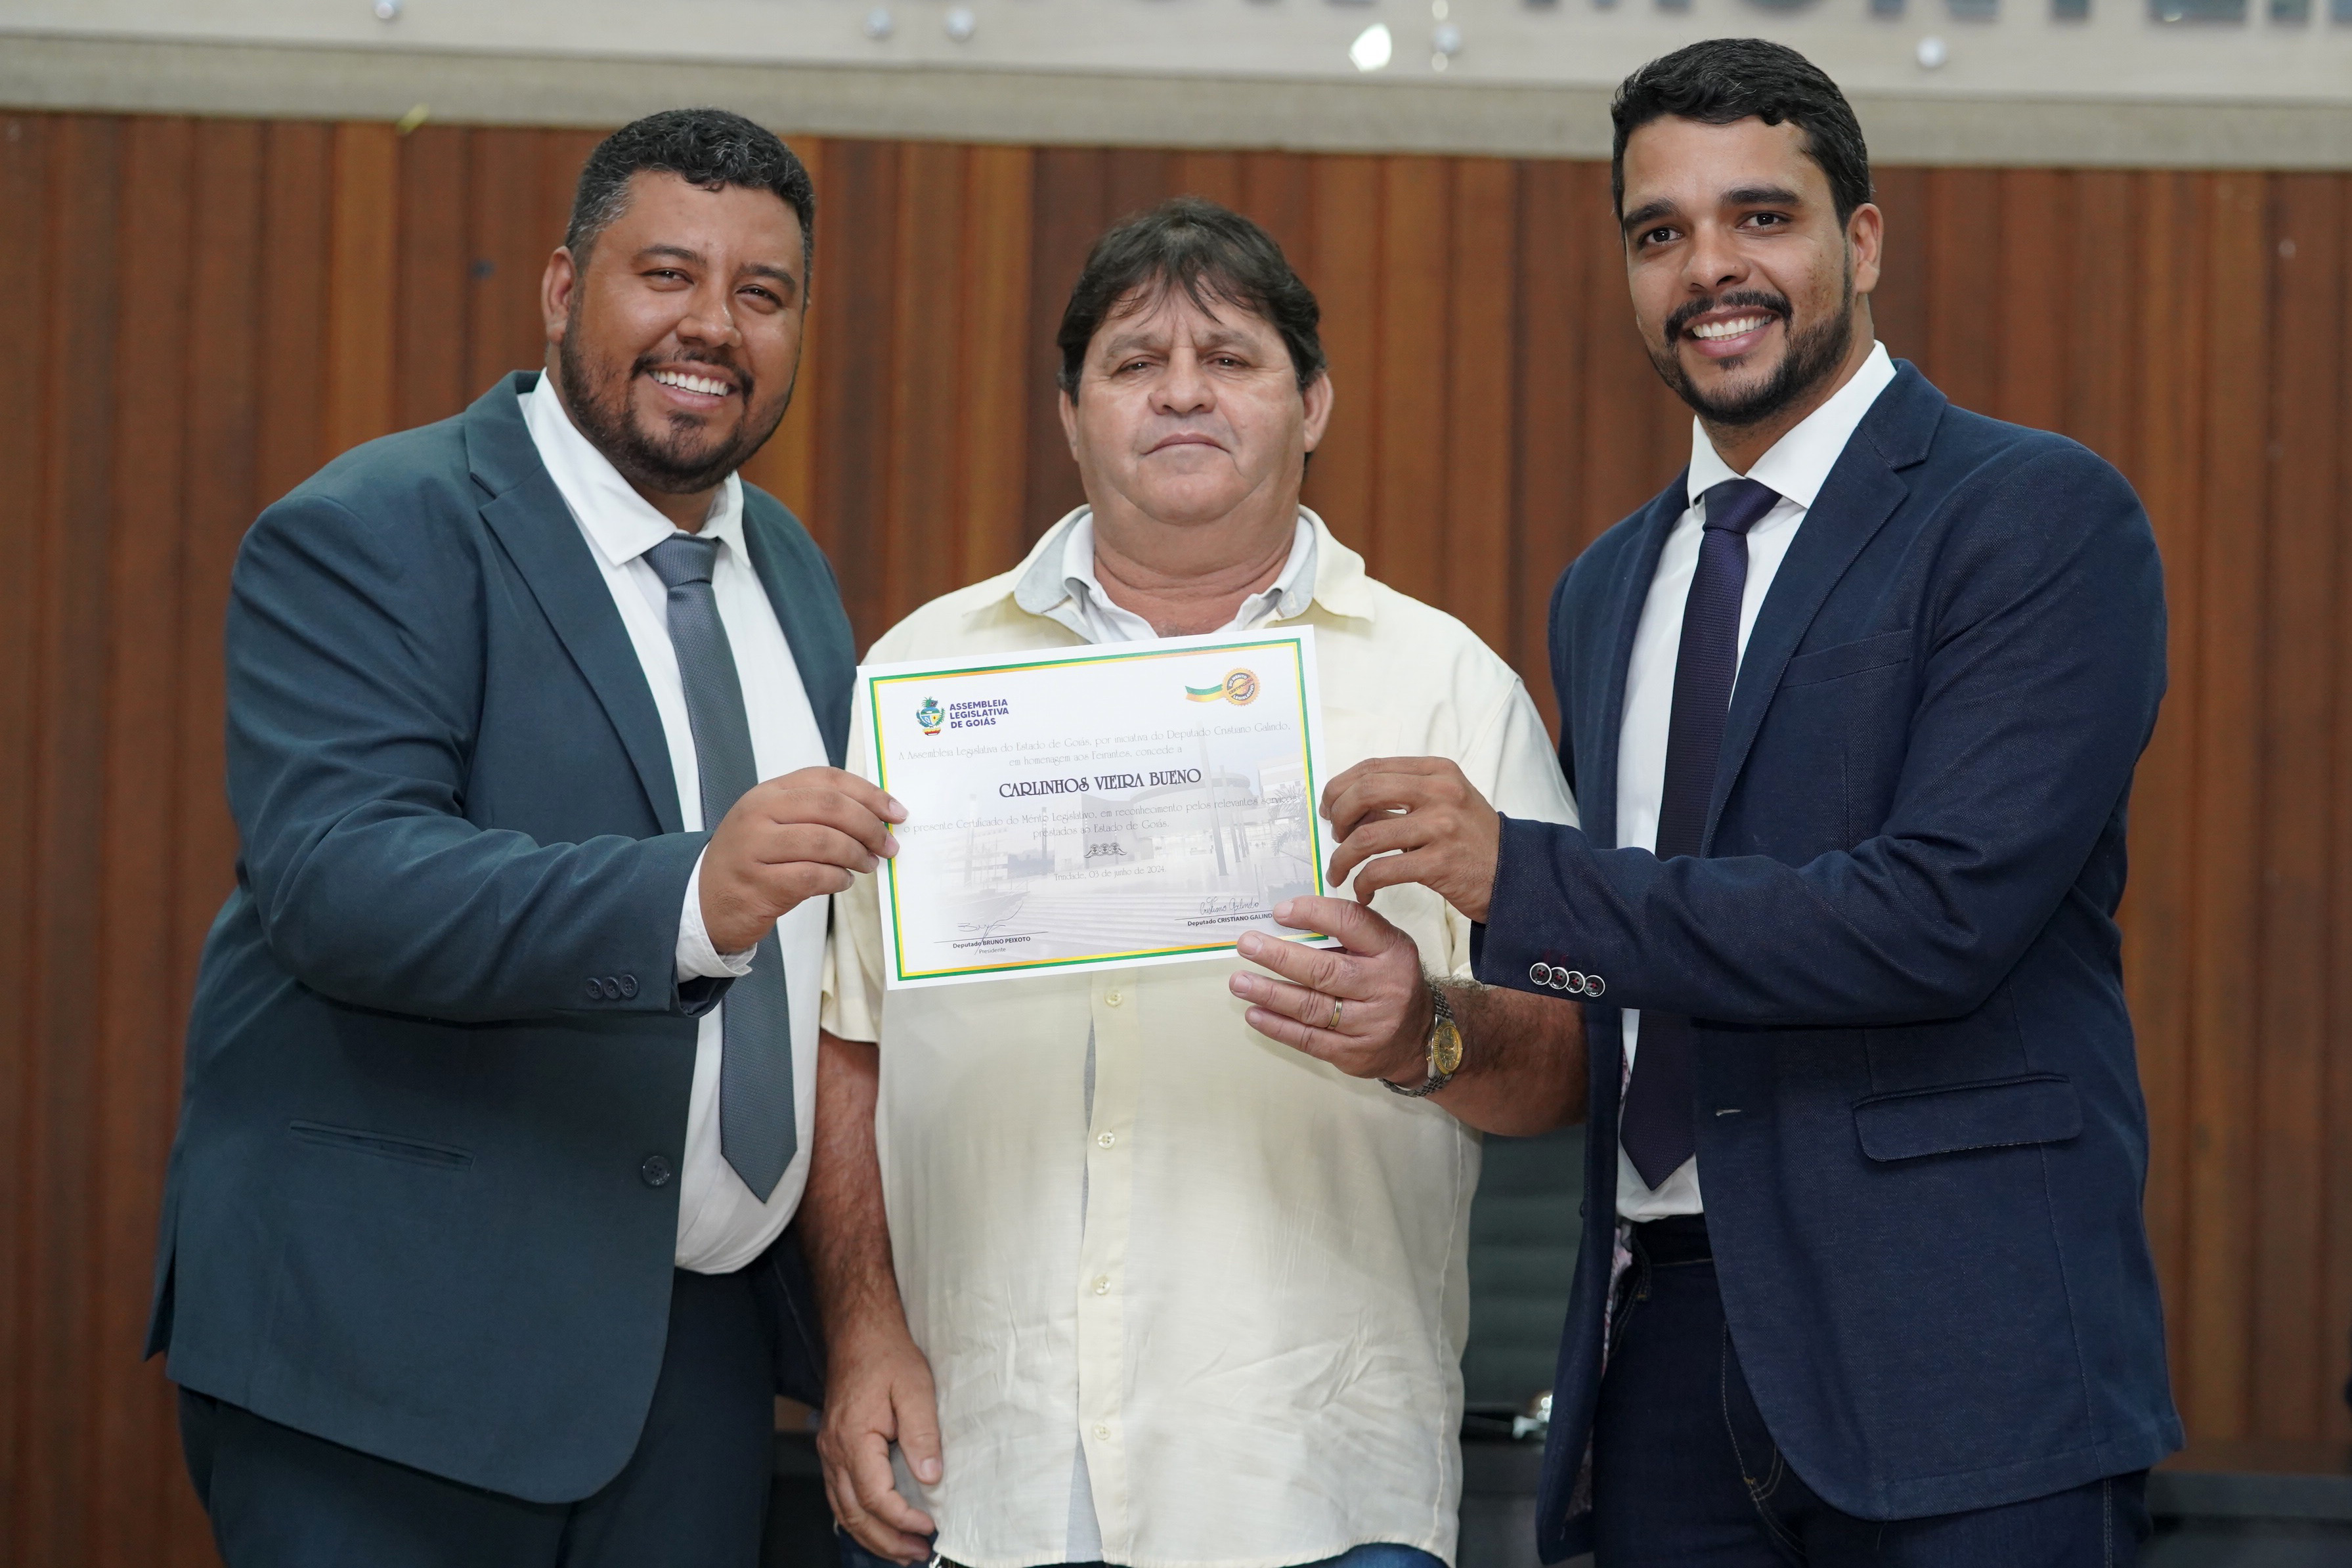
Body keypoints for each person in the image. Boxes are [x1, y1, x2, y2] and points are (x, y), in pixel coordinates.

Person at [1309, 39, 2181, 1567]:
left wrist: (1525, 877)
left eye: (1760, 217)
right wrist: (1429, 1024)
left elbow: (1936, 920)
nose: (1709, 266)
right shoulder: (1606, 589)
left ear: (1863, 240)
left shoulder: (2033, 515)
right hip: (1658, 1348)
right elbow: (1606, 991)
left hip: (1962, 1361)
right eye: (1661, 232)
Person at [146, 109, 899, 1567]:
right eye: (666, 274)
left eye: (761, 292)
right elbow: (340, 882)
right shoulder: (376, 526)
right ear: (563, 289)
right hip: (393, 1356)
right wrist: (692, 895)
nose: (712, 325)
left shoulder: (790, 570)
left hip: (690, 1359)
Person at [806, 198, 1586, 1568]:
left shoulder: (1446, 685)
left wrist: (1424, 1032)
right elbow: (846, 1038)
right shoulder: (920, 675)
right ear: (1070, 415)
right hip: (983, 1472)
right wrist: (863, 1327)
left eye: (1229, 358)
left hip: (1312, 1479)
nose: (1181, 393)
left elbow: (1569, 1063)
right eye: (1133, 362)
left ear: (1312, 404)